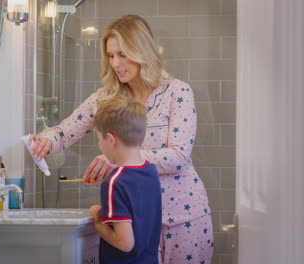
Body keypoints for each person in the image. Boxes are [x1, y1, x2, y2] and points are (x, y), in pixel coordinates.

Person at [29, 14, 213, 264]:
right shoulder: (105, 98)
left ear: (142, 51)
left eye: (123, 54)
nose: (116, 63)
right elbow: (64, 131)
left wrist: (120, 159)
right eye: (111, 55)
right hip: (134, 222)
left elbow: (179, 157)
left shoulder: (177, 92)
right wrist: (46, 141)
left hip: (182, 216)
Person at [88, 95, 161, 263]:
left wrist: (99, 223)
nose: (100, 145)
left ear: (111, 140)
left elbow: (125, 243)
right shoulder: (151, 171)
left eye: (99, 139)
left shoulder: (115, 182)